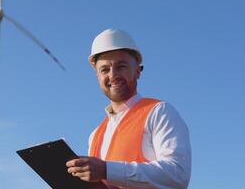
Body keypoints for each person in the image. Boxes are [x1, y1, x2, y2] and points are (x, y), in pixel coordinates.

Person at [66, 29, 191, 189]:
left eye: (121, 66)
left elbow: (177, 175)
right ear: (97, 76)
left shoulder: (159, 112)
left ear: (137, 71)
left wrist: (106, 170)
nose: (113, 75)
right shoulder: (96, 135)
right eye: (104, 69)